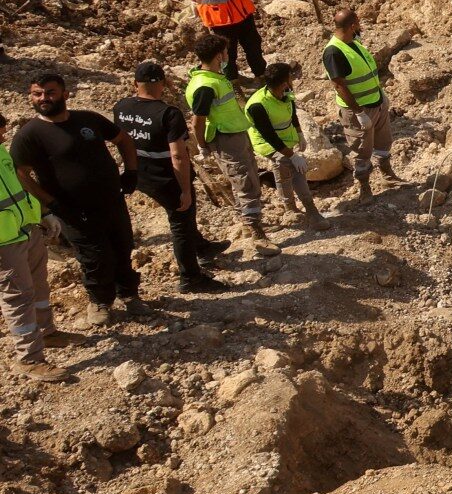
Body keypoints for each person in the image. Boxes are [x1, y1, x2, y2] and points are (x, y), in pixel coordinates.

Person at [9, 74, 143, 327]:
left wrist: (131, 172)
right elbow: (20, 173)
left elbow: (123, 139)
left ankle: (130, 295)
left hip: (112, 201)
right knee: (94, 257)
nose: (43, 98)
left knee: (122, 248)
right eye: (37, 94)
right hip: (73, 210)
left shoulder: (87, 119)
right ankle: (100, 302)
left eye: (50, 92)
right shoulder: (30, 133)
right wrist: (50, 203)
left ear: (65, 94)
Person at [114, 62, 228, 294]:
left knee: (182, 220)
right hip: (166, 177)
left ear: (135, 83)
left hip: (138, 172)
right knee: (181, 222)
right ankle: (191, 277)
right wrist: (185, 189)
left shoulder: (121, 107)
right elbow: (178, 155)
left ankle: (202, 247)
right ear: (164, 84)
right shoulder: (168, 113)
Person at [187, 35, 276, 254]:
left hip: (236, 133)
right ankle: (258, 235)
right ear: (219, 55)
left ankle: (248, 224)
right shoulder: (205, 85)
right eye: (226, 52)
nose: (229, 56)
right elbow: (197, 121)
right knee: (245, 183)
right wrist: (202, 147)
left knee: (246, 178)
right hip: (226, 139)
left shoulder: (214, 77)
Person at [1, 114, 65, 383]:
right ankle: (30, 358)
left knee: (38, 284)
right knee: (18, 296)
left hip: (26, 229)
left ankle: (47, 331)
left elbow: (16, 188)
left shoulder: (0, 151)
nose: (4, 133)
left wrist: (42, 212)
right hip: (4, 241)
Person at [324, 8, 404, 200]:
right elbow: (339, 86)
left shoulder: (353, 44)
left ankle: (388, 176)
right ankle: (364, 188)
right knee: (361, 151)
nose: (360, 27)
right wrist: (359, 112)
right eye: (358, 24)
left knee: (383, 143)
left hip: (376, 103)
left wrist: (381, 95)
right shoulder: (334, 51)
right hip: (359, 111)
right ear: (352, 26)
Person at [247, 63, 330, 229]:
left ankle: (297, 208)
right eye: (290, 77)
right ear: (284, 82)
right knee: (289, 166)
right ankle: (305, 210)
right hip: (266, 142)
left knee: (289, 169)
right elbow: (269, 135)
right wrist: (292, 155)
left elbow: (292, 113)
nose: (293, 80)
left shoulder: (285, 92)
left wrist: (299, 134)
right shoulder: (258, 105)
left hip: (285, 139)